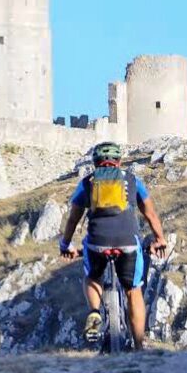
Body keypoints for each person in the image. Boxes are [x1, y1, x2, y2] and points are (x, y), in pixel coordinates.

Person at [59, 142, 167, 350]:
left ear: (95, 162)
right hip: (128, 241)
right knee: (133, 290)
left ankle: (94, 312)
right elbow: (150, 213)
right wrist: (159, 238)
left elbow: (73, 219)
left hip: (97, 241)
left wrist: (65, 244)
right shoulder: (133, 180)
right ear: (119, 161)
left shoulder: (87, 182)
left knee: (92, 277)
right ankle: (139, 345)